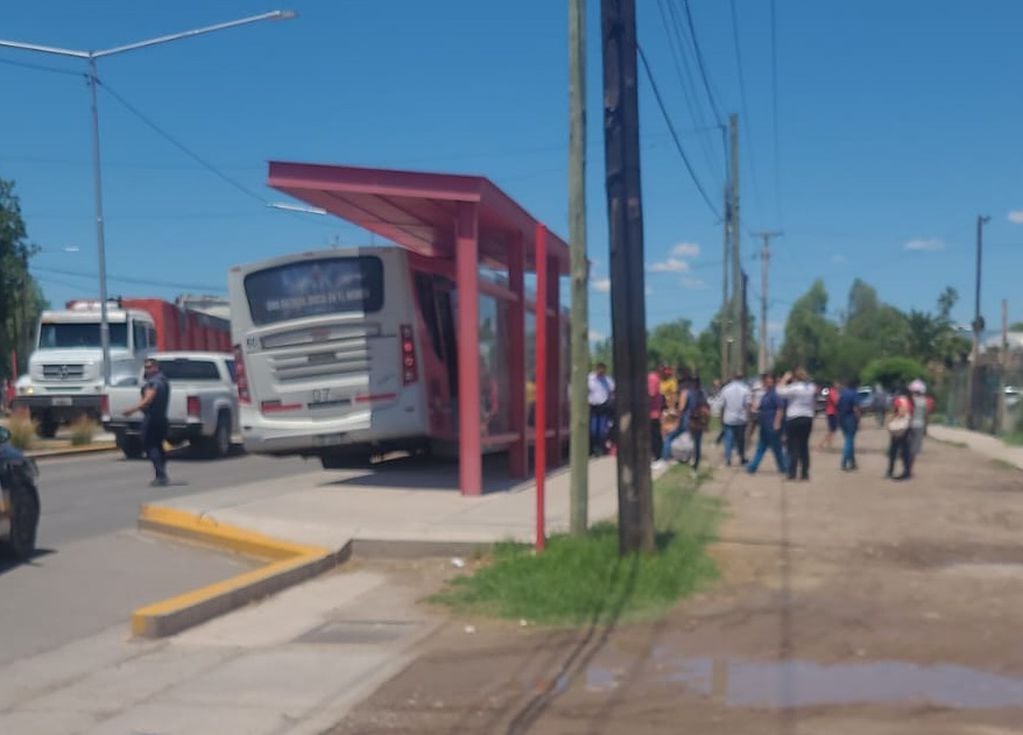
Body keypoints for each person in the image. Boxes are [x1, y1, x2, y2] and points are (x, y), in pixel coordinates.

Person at [123, 357, 171, 487]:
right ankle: (162, 474)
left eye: (150, 367)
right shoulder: (164, 380)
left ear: (156, 367)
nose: (147, 369)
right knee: (159, 446)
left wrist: (131, 410)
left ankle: (161, 475)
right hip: (162, 418)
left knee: (150, 446)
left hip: (152, 419)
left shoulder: (154, 382)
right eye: (146, 367)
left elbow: (148, 399)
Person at [778, 369, 816, 480]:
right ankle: (804, 473)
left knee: (793, 446)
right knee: (804, 446)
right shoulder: (811, 388)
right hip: (807, 417)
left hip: (794, 417)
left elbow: (779, 392)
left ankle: (792, 472)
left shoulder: (794, 388)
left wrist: (784, 379)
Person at [747, 373, 786, 475]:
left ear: (773, 383)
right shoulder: (766, 395)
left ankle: (784, 467)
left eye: (770, 382)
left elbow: (780, 409)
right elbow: (762, 408)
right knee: (761, 447)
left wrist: (777, 423)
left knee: (777, 449)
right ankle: (752, 466)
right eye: (766, 381)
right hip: (764, 425)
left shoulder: (774, 395)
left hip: (771, 425)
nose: (768, 384)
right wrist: (755, 407)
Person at [720, 372, 751, 466]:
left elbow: (722, 405)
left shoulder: (726, 389)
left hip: (728, 418)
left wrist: (721, 418)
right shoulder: (746, 389)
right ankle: (741, 457)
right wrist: (749, 418)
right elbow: (748, 405)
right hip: (741, 418)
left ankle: (728, 459)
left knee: (728, 439)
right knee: (741, 440)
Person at [588, 362, 614, 456]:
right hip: (593, 406)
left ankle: (600, 448)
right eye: (600, 370)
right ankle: (593, 448)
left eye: (603, 370)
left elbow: (612, 391)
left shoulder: (607, 380)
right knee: (593, 429)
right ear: (597, 369)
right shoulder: (590, 379)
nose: (601, 372)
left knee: (602, 430)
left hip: (603, 406)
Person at [886, 387, 913, 480]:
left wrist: (890, 420)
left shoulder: (899, 400)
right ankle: (907, 471)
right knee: (905, 451)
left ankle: (890, 471)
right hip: (905, 428)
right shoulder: (910, 402)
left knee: (893, 451)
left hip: (897, 429)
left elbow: (898, 412)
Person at [685, 377, 710, 474]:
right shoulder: (702, 393)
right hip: (700, 422)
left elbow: (685, 407)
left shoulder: (689, 393)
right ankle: (696, 463)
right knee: (697, 443)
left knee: (690, 441)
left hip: (690, 420)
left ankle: (691, 459)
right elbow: (707, 408)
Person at [837, 378, 861, 471]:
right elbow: (856, 408)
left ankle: (852, 462)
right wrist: (858, 420)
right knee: (849, 440)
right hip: (850, 418)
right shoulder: (854, 393)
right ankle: (844, 461)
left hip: (841, 417)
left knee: (848, 440)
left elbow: (838, 406)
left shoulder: (842, 393)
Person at [907, 379, 930, 468]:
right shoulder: (924, 401)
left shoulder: (910, 401)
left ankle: (907, 466)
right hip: (919, 425)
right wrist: (925, 428)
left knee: (908, 447)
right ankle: (910, 467)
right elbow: (926, 416)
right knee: (915, 449)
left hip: (910, 425)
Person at [818, 381, 840, 450]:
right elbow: (836, 402)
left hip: (832, 412)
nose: (839, 385)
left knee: (832, 430)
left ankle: (828, 444)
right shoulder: (833, 392)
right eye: (837, 383)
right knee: (831, 430)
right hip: (832, 412)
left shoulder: (834, 392)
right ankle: (822, 444)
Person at [648, 368, 664, 461]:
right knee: (655, 435)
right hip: (654, 412)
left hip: (651, 413)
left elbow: (651, 394)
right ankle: (657, 454)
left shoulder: (652, 378)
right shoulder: (655, 378)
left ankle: (656, 455)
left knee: (654, 435)